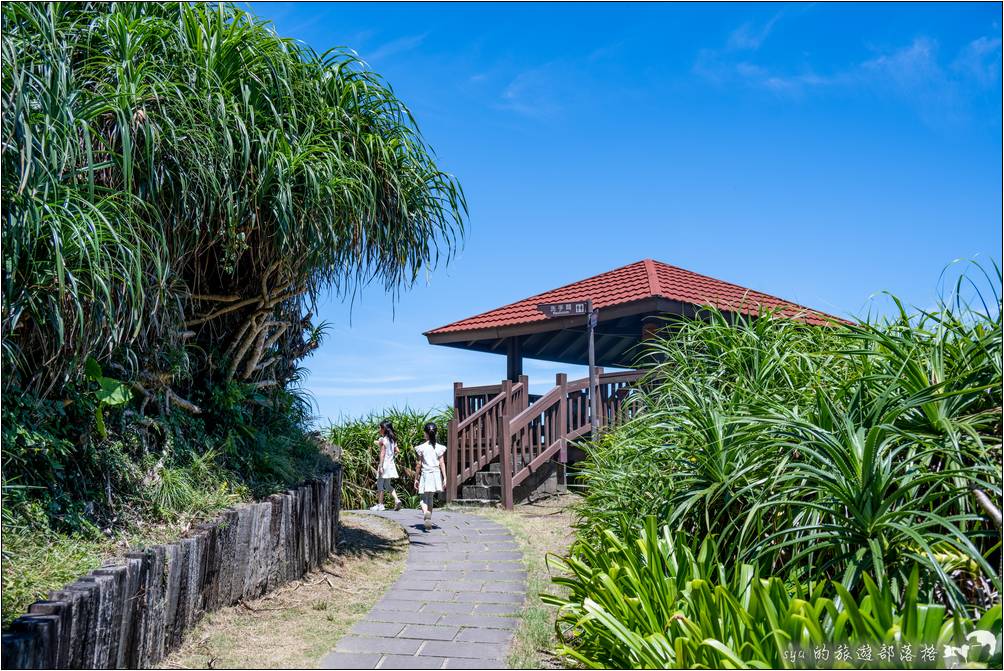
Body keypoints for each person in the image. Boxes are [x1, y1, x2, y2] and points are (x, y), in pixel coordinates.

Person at [413, 421, 446, 530]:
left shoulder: (421, 447)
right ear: (435, 433)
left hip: (426, 474)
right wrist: (445, 477)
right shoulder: (440, 447)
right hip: (436, 474)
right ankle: (429, 518)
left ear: (426, 434)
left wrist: (416, 478)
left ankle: (426, 513)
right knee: (431, 497)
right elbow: (442, 463)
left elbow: (419, 464)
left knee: (423, 499)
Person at [370, 420, 402, 511]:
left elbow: (382, 453)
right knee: (388, 485)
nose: (379, 429)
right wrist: (392, 456)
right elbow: (397, 451)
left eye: (380, 428)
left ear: (384, 429)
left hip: (384, 465)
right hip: (391, 465)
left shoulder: (384, 440)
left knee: (380, 484)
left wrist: (380, 465)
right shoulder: (392, 440)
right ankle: (397, 500)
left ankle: (380, 505)